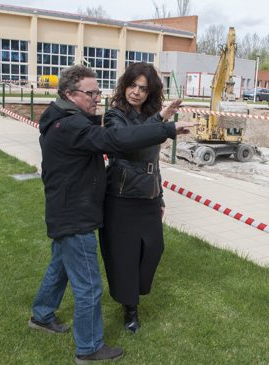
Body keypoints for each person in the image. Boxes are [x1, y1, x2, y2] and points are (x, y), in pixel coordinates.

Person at [30, 64, 193, 364]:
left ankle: (41, 315)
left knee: (60, 267)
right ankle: (89, 348)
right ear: (70, 93)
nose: (96, 98)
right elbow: (116, 141)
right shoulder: (72, 126)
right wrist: (166, 127)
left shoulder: (63, 118)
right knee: (89, 285)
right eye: (90, 93)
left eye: (98, 91)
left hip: (67, 210)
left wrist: (158, 119)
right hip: (74, 215)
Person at [99, 62, 180, 334]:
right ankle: (130, 308)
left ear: (150, 92)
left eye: (143, 89)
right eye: (132, 85)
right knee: (125, 256)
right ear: (124, 86)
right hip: (121, 198)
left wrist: (160, 196)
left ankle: (134, 294)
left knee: (154, 249)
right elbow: (126, 139)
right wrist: (161, 122)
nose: (136, 92)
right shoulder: (114, 115)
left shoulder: (151, 115)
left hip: (148, 195)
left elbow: (154, 160)